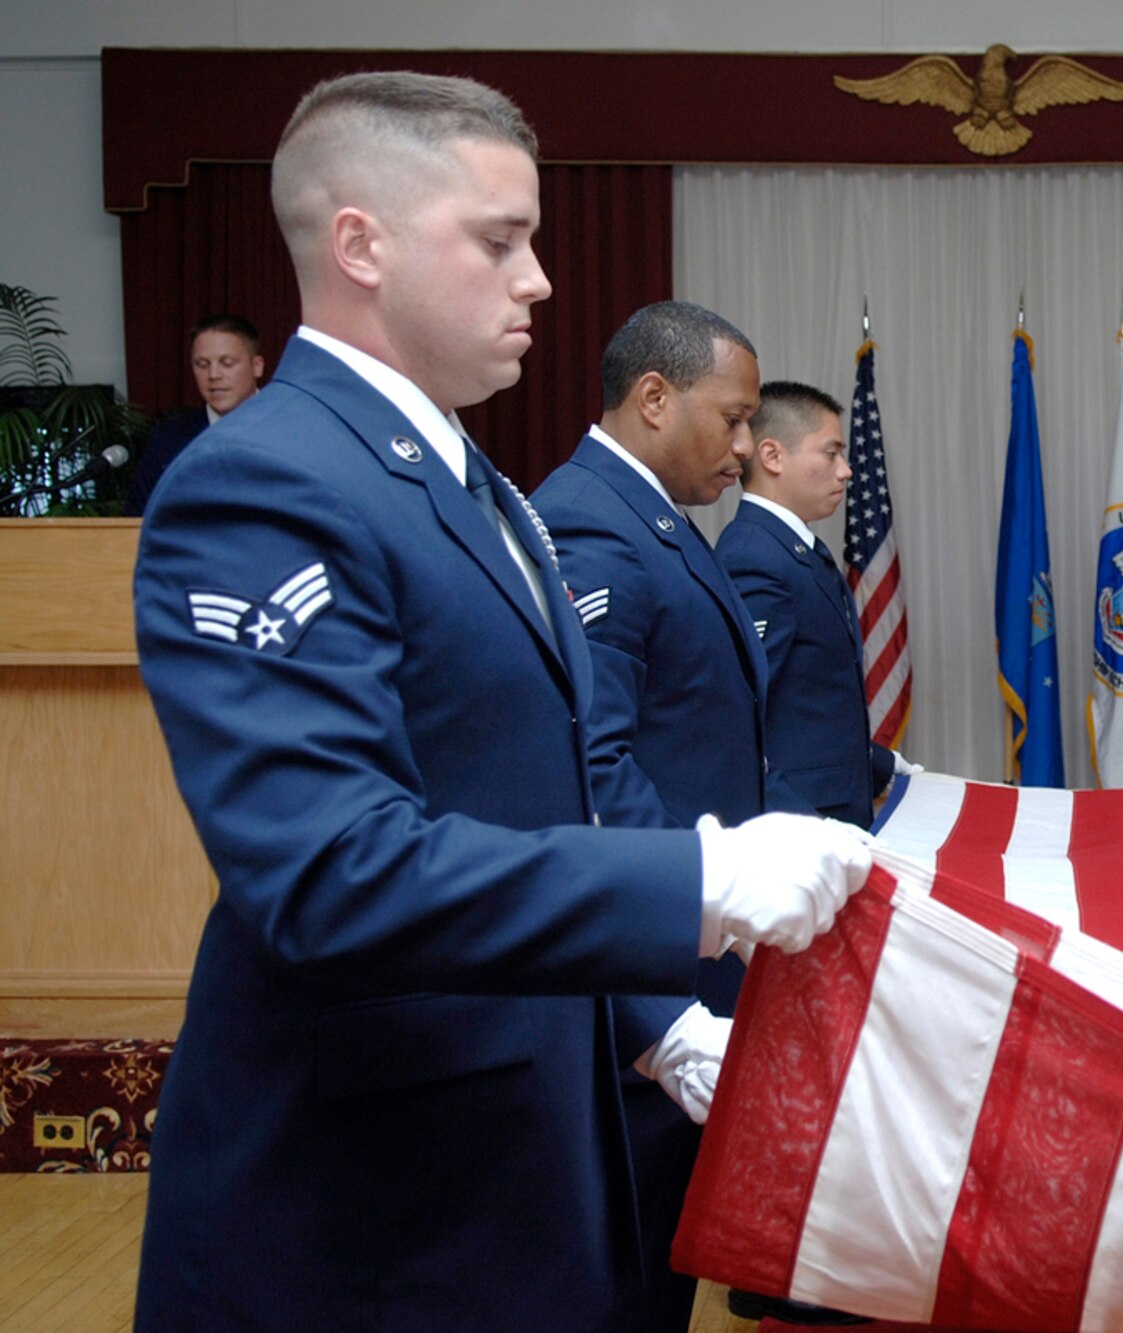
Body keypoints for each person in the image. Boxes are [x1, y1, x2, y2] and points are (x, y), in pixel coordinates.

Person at [130, 72, 870, 1331]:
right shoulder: (261, 481)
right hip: (376, 1206)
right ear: (360, 244)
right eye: (500, 240)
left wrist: (650, 1019)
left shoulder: (474, 483)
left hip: (528, 1141)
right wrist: (692, 884)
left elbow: (548, 789)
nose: (536, 279)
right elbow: (329, 868)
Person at [530, 301, 814, 1329]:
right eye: (732, 418)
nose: (746, 446)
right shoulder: (591, 524)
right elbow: (591, 763)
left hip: (690, 943)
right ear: (654, 398)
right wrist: (707, 895)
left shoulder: (654, 519)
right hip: (643, 968)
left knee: (664, 1260)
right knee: (627, 1277)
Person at [717, 380, 916, 829]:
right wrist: (808, 827)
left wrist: (883, 769)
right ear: (772, 457)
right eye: (830, 453)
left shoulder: (792, 547)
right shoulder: (755, 556)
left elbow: (811, 701)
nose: (845, 470)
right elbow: (738, 718)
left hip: (833, 810)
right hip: (802, 824)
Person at [123, 313, 264, 515]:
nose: (214, 375)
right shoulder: (168, 440)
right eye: (202, 364)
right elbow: (135, 522)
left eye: (227, 363)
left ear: (257, 366)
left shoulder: (291, 432)